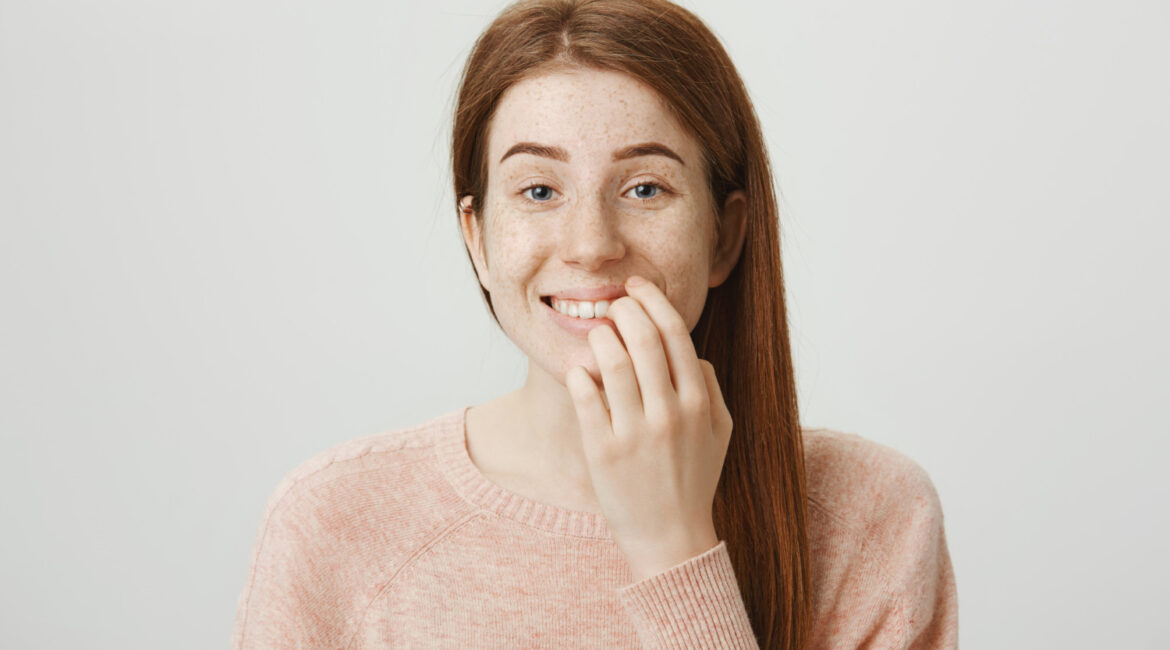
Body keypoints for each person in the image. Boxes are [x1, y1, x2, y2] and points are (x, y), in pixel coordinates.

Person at [231, 0, 958, 648]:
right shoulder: (332, 525)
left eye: (645, 187)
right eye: (539, 189)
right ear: (478, 239)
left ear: (724, 237)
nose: (590, 244)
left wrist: (672, 548)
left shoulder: (873, 519)